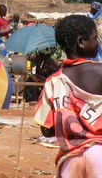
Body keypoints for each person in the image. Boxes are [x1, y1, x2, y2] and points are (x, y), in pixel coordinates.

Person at [34, 15, 102, 177]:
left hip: (70, 158)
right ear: (81, 42)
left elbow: (47, 130)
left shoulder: (52, 82)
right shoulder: (100, 73)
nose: (97, 42)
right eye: (95, 38)